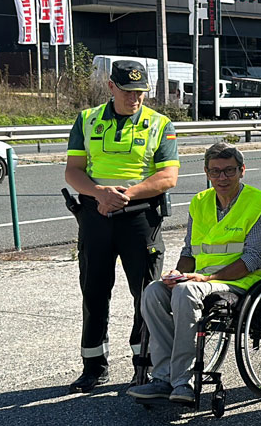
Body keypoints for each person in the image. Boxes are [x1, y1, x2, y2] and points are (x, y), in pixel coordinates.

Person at [129, 143, 261, 403]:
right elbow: (189, 252)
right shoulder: (199, 202)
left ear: (242, 171)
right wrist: (177, 271)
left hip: (240, 281)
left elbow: (253, 259)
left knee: (186, 292)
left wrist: (209, 278)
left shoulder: (260, 204)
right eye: (215, 172)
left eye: (229, 171)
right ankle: (163, 376)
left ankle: (182, 381)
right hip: (200, 279)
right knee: (154, 291)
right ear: (206, 172)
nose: (222, 178)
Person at [63, 59, 179, 393]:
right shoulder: (87, 119)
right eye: (128, 91)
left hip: (140, 219)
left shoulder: (160, 123)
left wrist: (124, 195)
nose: (135, 98)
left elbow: (168, 176)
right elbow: (73, 171)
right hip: (95, 215)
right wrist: (99, 192)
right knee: (94, 292)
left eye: (141, 92)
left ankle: (142, 365)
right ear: (111, 87)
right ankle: (93, 367)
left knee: (146, 295)